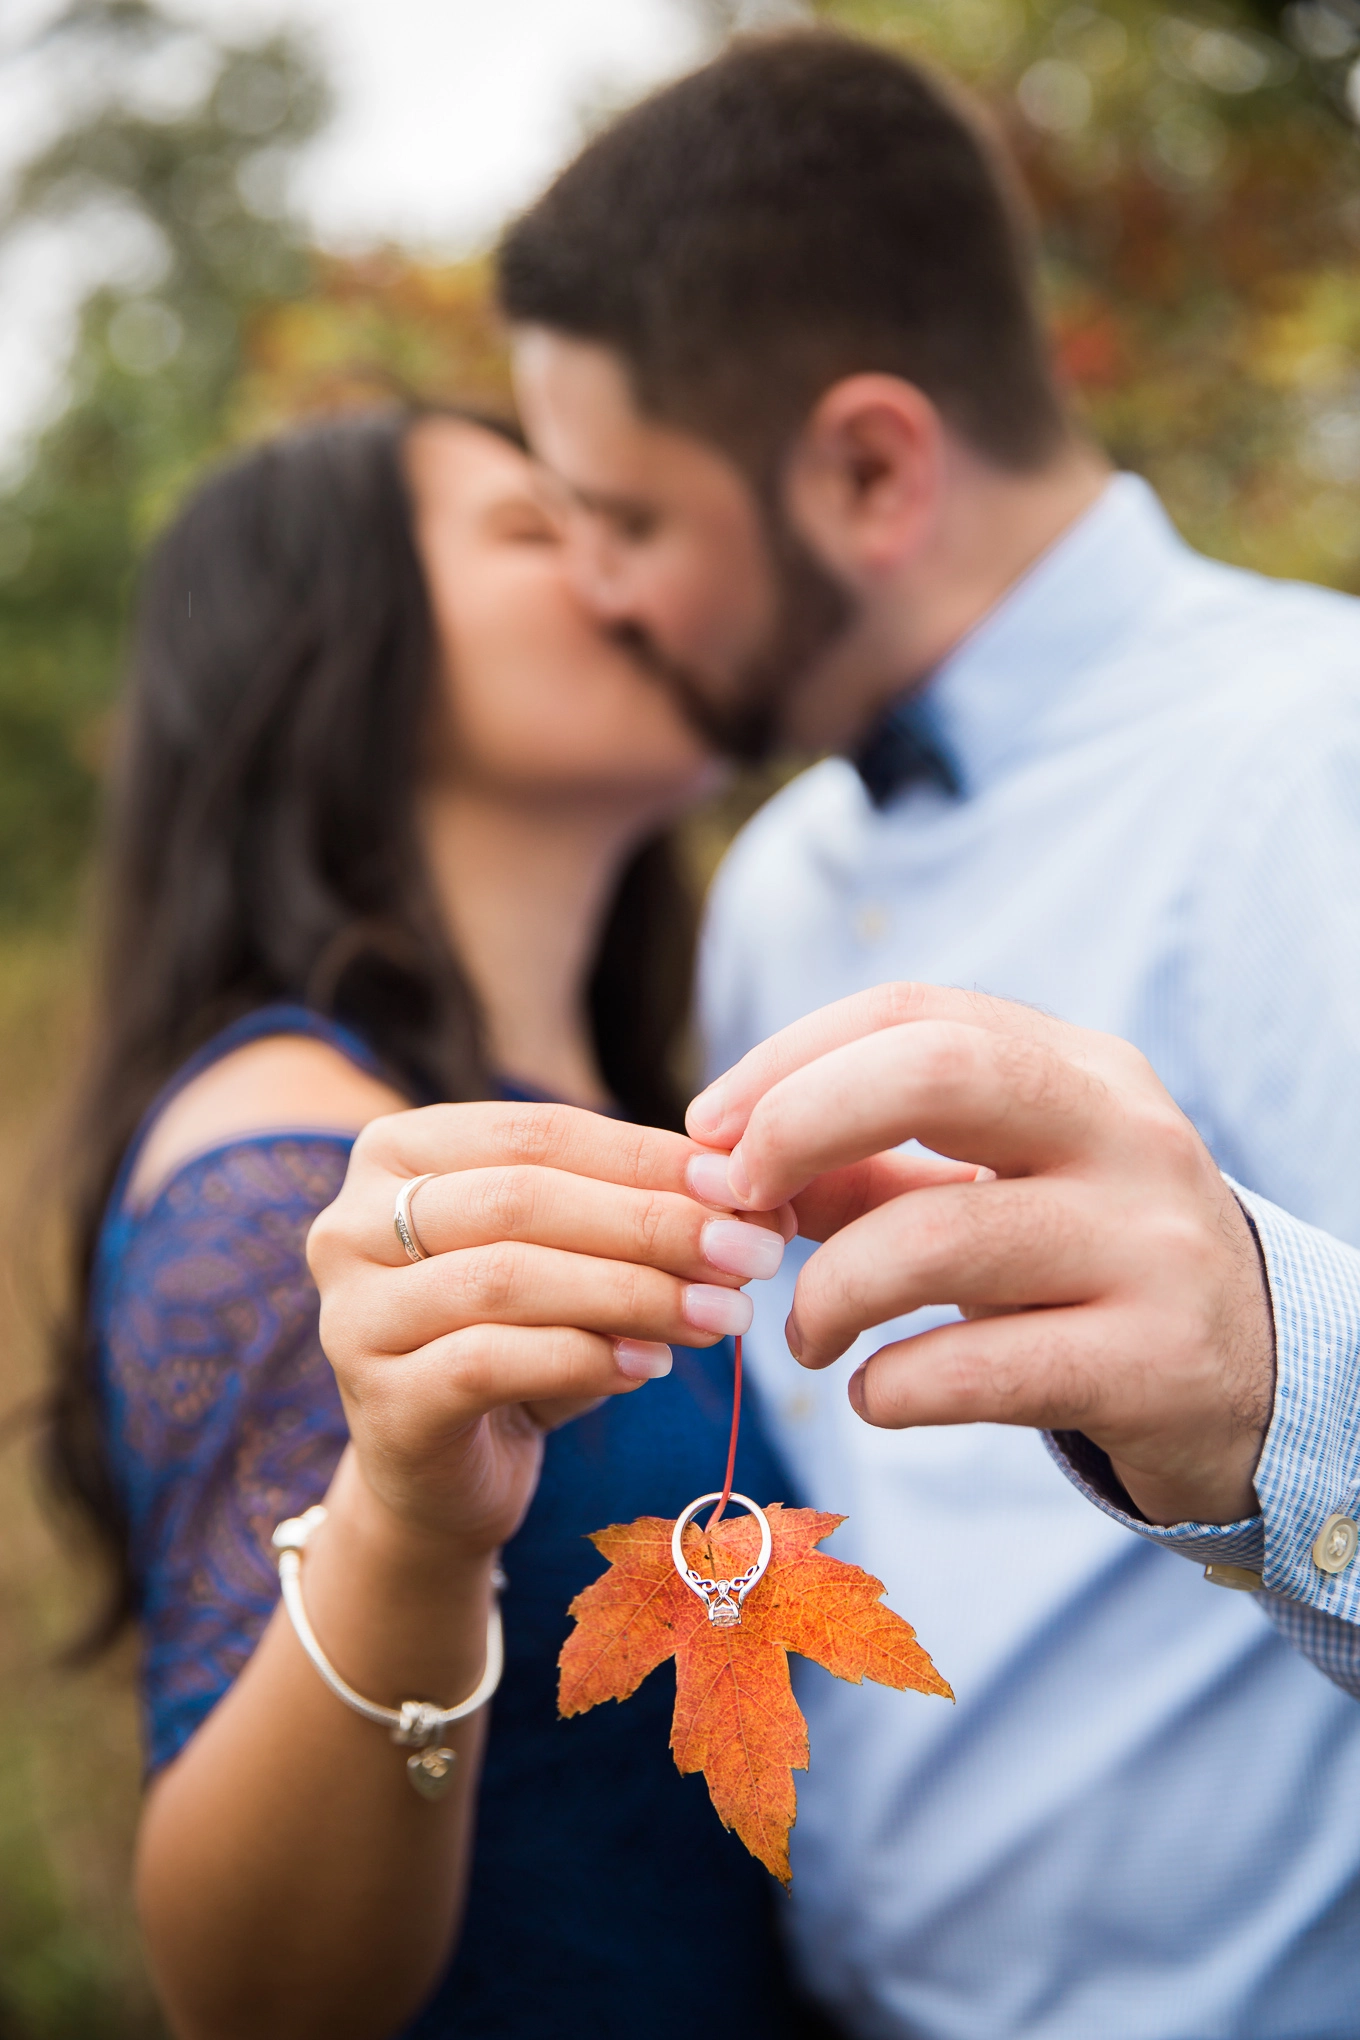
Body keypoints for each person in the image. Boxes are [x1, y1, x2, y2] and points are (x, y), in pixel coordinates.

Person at [487, 27, 1360, 2037]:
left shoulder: (1315, 763)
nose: (595, 591)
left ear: (870, 467)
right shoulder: (784, 874)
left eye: (620, 516)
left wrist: (1259, 1379)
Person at [49, 407, 823, 2040]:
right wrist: (408, 1523)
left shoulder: (643, 1089)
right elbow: (247, 1997)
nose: (622, 566)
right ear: (339, 653)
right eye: (537, 532)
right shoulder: (287, 1161)